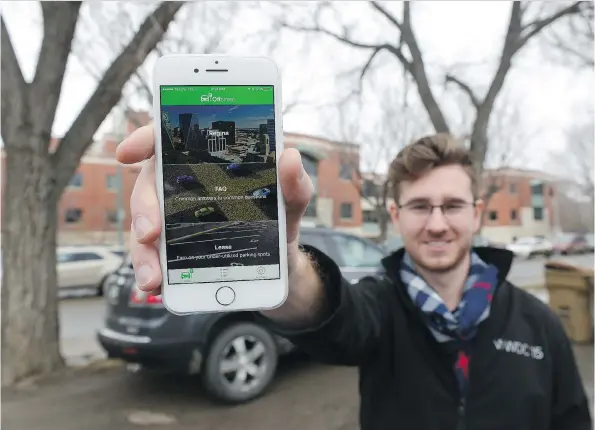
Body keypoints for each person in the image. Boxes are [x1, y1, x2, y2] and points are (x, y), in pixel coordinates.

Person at [118, 128, 592, 430]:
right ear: (394, 213)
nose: (438, 223)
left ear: (478, 213)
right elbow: (331, 315)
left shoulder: (539, 324)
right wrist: (279, 259)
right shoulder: (381, 307)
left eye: (452, 205)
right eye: (420, 206)